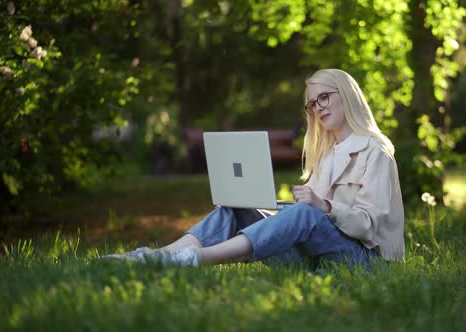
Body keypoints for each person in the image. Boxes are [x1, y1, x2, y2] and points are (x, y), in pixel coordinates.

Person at [102, 69, 405, 269]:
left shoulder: (375, 150)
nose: (318, 108)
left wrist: (322, 205)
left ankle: (196, 259)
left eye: (324, 97)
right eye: (312, 104)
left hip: (364, 261)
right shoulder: (327, 154)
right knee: (236, 209)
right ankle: (156, 258)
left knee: (304, 212)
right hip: (318, 257)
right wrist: (264, 206)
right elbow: (309, 222)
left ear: (347, 95)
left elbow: (368, 225)